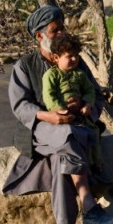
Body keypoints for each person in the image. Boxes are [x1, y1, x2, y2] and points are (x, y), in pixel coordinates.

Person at [3, 5, 113, 224]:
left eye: (62, 28)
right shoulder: (25, 66)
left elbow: (96, 96)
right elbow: (20, 105)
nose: (61, 33)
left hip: (75, 127)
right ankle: (89, 205)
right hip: (40, 129)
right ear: (39, 36)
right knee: (66, 135)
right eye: (56, 30)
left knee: (61, 155)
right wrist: (47, 115)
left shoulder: (75, 61)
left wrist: (87, 107)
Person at [42, 33, 104, 173]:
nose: (74, 59)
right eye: (69, 56)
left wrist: (87, 104)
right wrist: (62, 110)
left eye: (76, 55)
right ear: (56, 57)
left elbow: (90, 90)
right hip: (63, 117)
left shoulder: (80, 74)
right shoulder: (51, 75)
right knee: (76, 137)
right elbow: (49, 96)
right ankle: (85, 166)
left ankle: (97, 162)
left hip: (81, 115)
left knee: (93, 132)